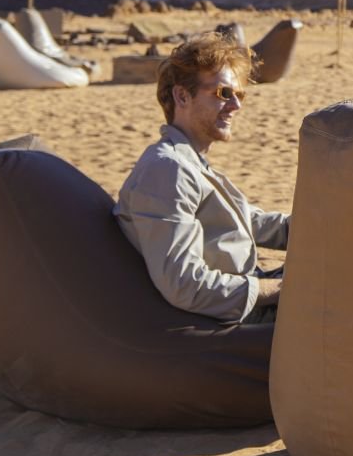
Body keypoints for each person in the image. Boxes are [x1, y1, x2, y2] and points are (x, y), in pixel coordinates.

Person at [114, 30, 289, 323]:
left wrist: (318, 229)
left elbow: (249, 221)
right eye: (223, 94)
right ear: (182, 95)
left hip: (244, 294)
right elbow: (184, 285)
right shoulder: (167, 170)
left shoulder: (189, 161)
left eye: (239, 95)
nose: (236, 106)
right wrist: (283, 290)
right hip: (232, 319)